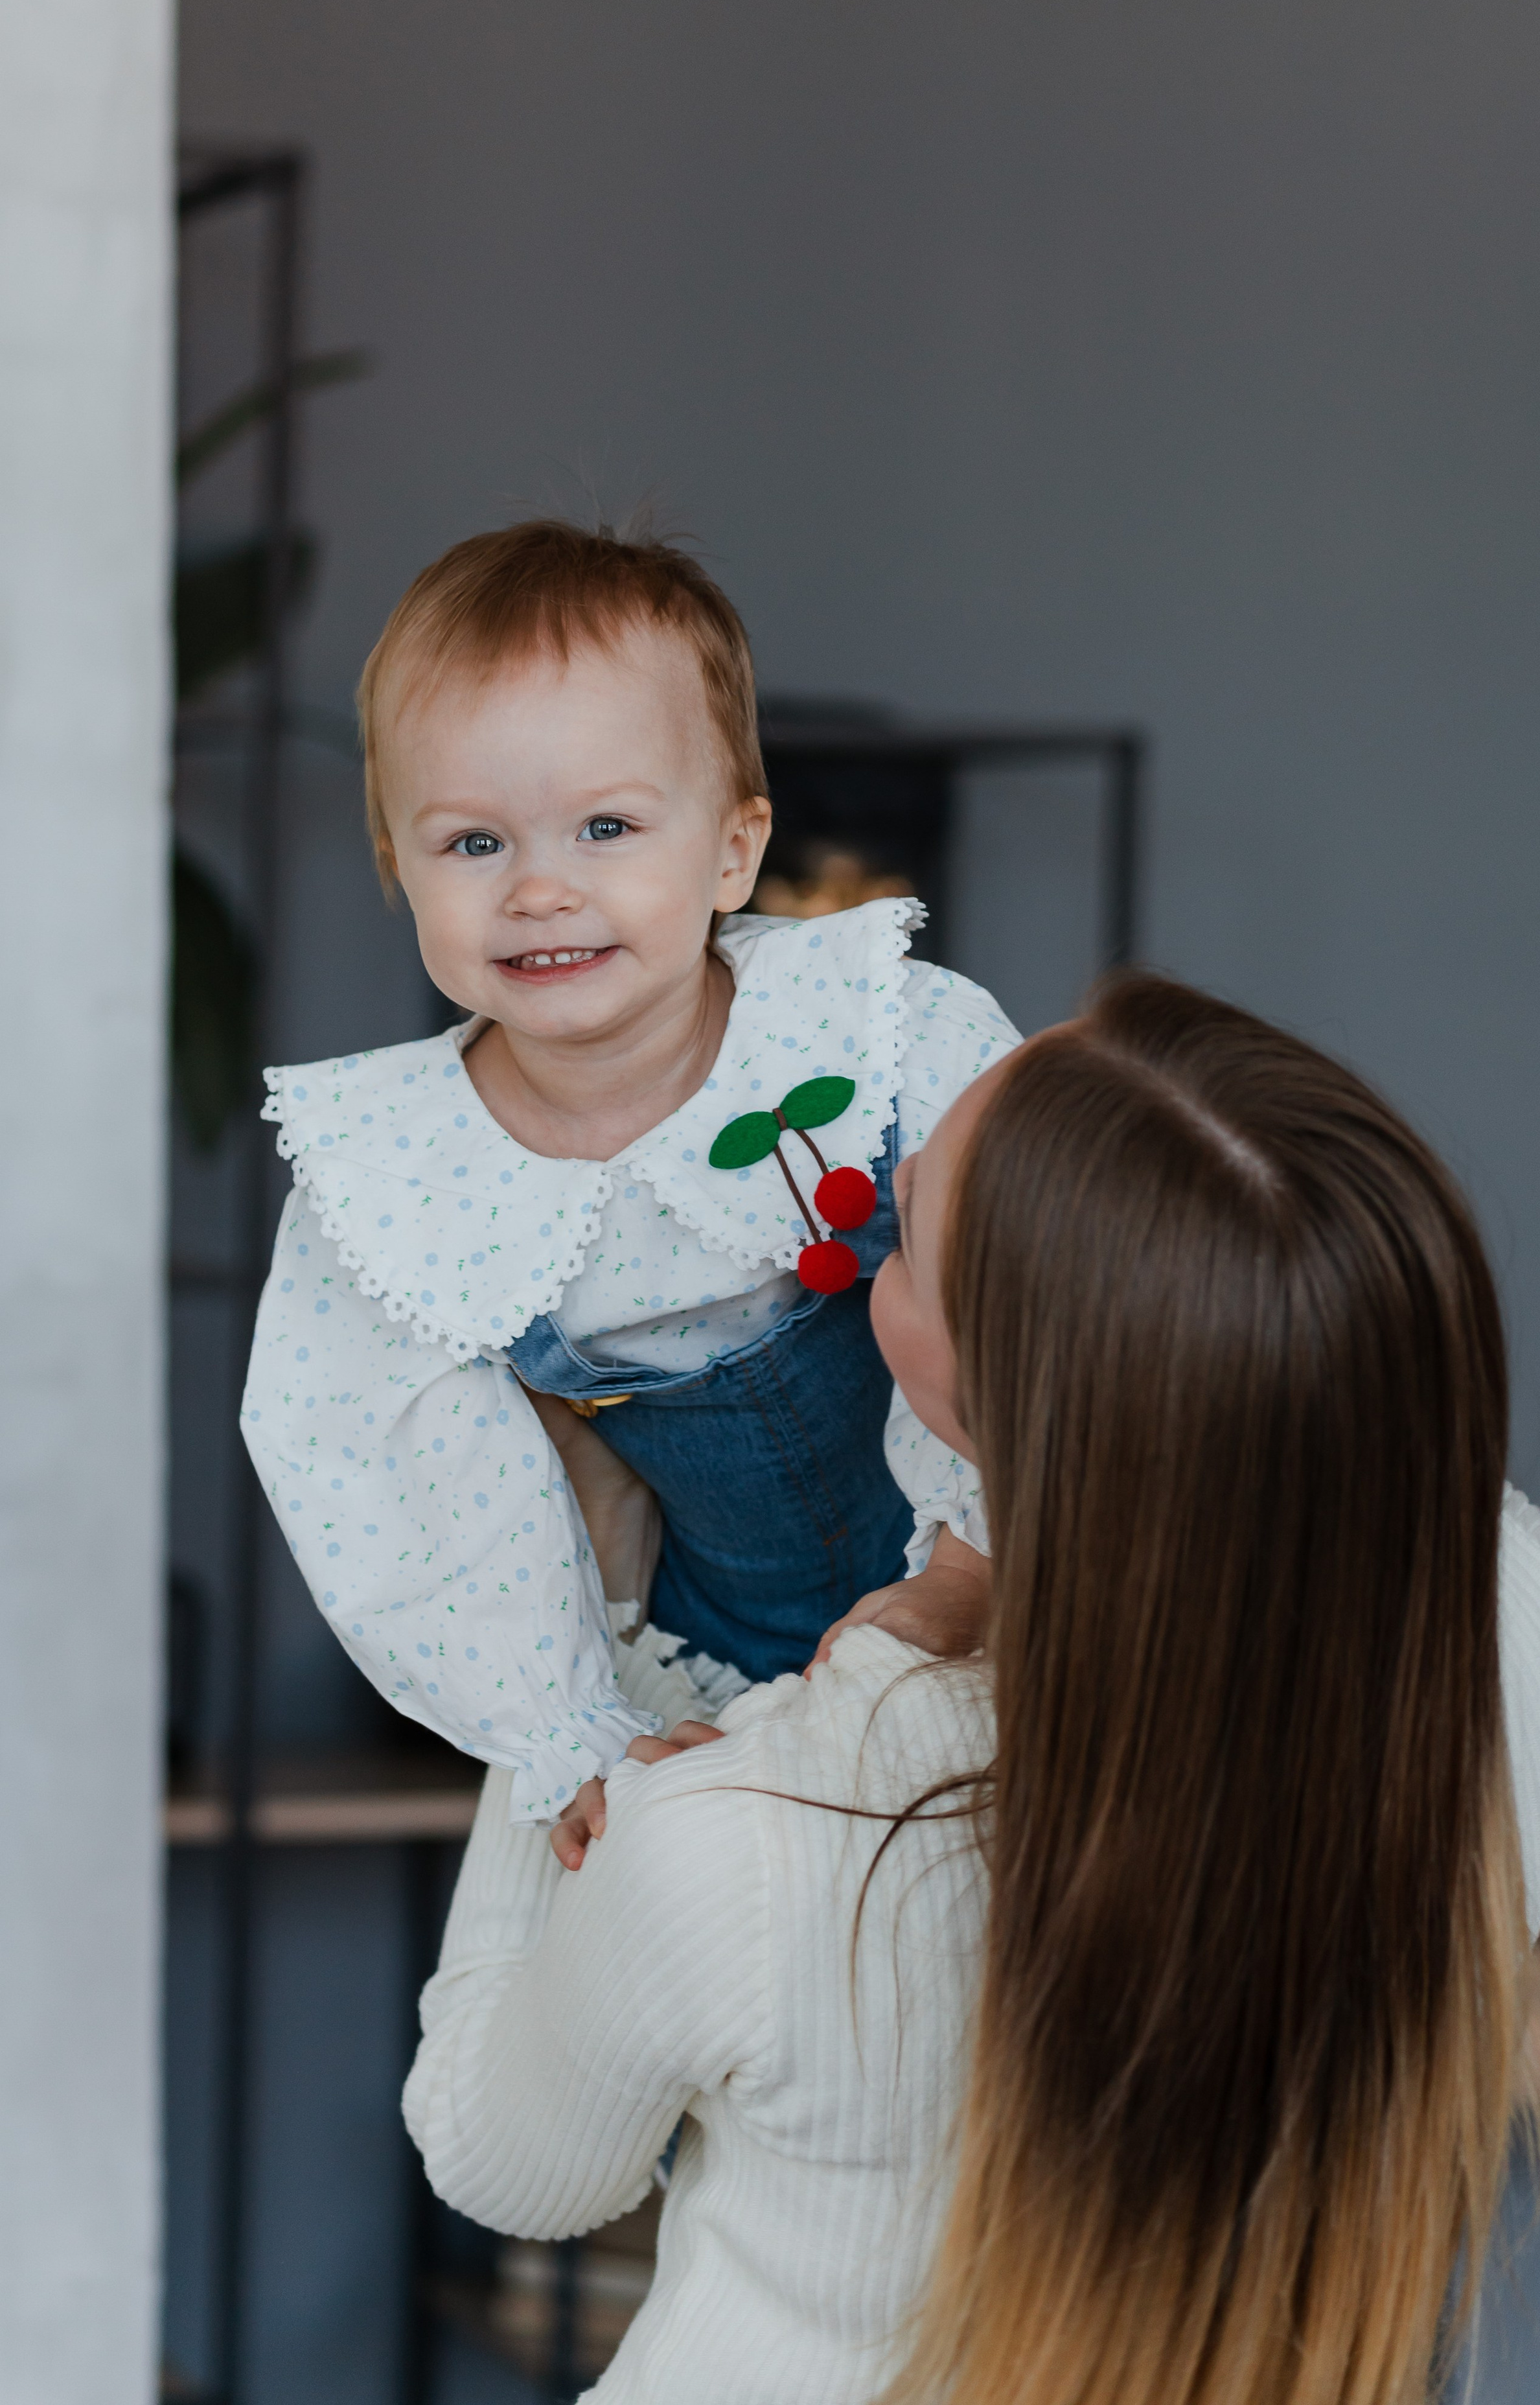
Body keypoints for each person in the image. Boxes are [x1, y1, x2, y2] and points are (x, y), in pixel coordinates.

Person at [404, 973, 1540, 2405]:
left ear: (965, 1393)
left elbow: (499, 2155)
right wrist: (960, 1571)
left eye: (894, 1248)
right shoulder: (1496, 1607)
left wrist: (561, 1632)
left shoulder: (753, 1834)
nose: (870, 1201)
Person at [240, 521, 1018, 1824]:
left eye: (606, 826)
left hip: (1006, 1590)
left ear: (732, 849)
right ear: (397, 866)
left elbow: (1042, 1294)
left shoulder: (870, 1035)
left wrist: (966, 1573)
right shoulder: (404, 1181)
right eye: (473, 844)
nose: (542, 888)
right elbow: (383, 1474)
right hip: (688, 1668)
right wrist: (566, 1731)